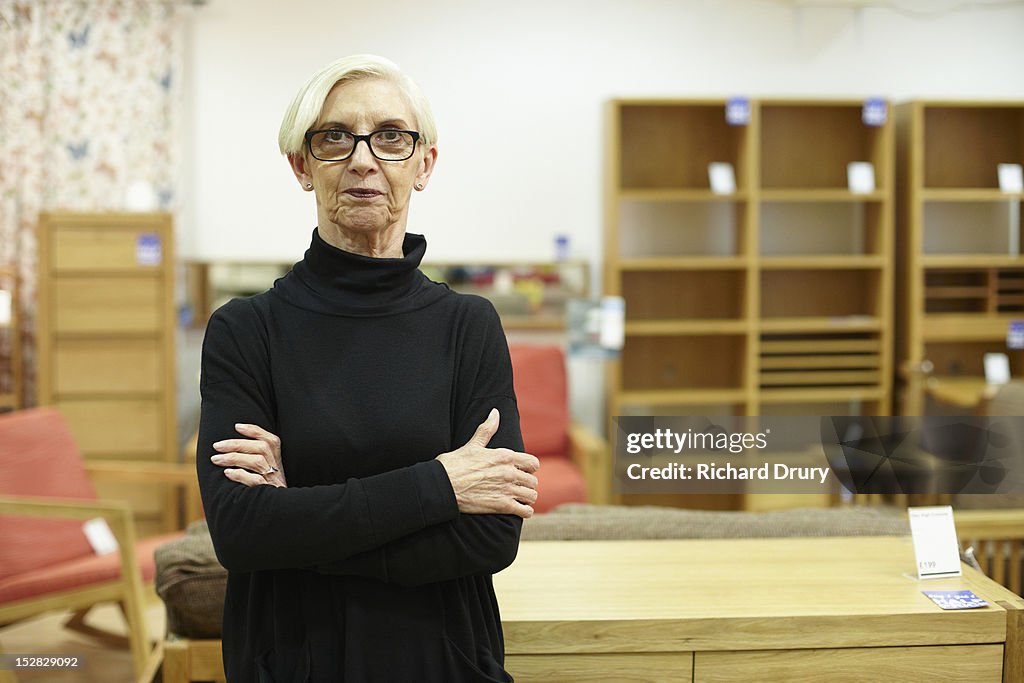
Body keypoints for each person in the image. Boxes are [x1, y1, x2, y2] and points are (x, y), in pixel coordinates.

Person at [196, 54, 540, 682]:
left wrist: (299, 523)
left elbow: (492, 539)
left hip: (442, 654)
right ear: (303, 166)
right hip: (291, 653)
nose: (362, 159)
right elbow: (242, 534)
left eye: (389, 136)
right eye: (334, 137)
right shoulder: (245, 331)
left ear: (424, 163)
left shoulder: (469, 326)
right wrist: (440, 487)